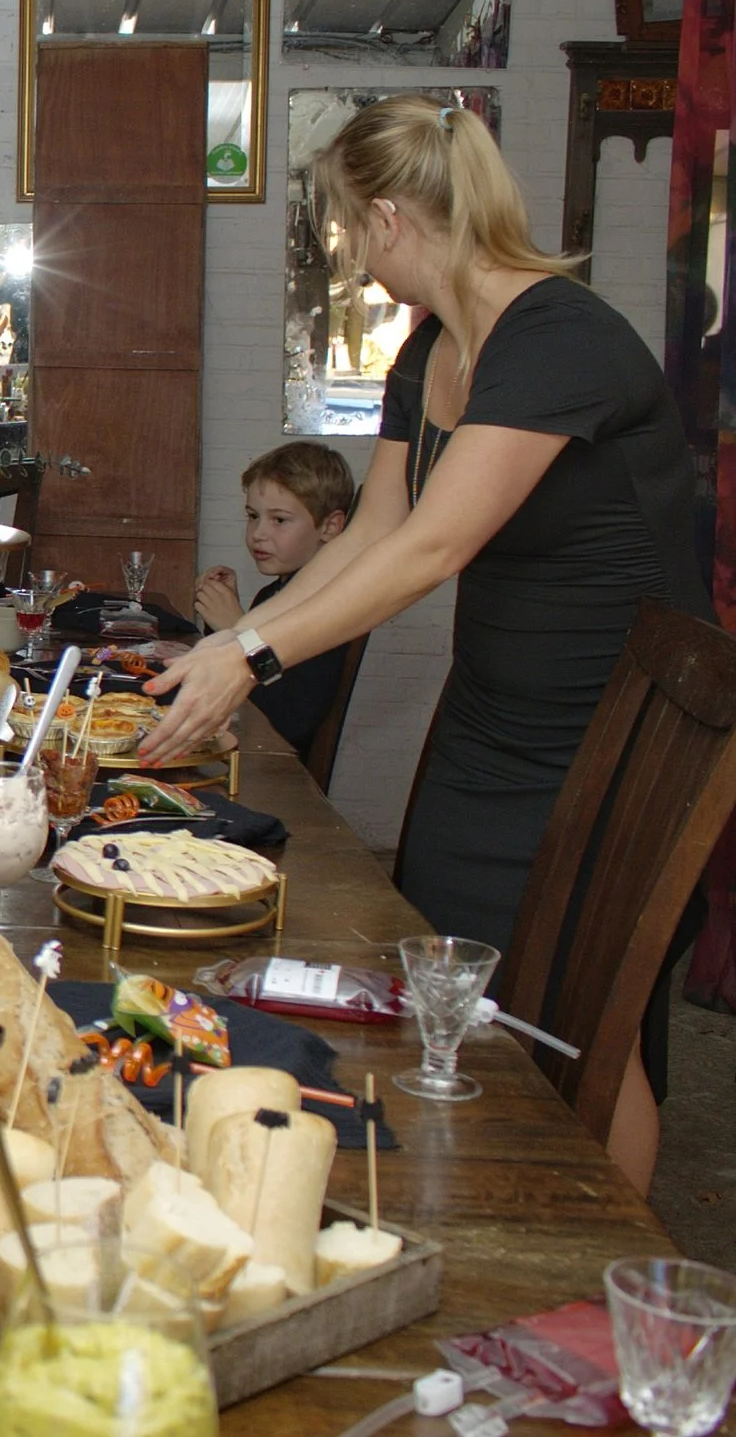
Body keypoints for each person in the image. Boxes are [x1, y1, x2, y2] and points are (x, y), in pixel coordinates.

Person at [136, 94, 707, 1188]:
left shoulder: (557, 338)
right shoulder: (431, 346)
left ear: (390, 217)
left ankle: (593, 1270)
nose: (349, 253)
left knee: (583, 1021)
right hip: (496, 721)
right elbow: (378, 528)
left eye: (346, 229)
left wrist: (248, 658)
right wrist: (239, 639)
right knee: (455, 978)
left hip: (613, 739)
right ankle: (492, 1197)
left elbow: (436, 545)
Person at [192, 443, 356, 760]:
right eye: (253, 516)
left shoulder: (331, 607)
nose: (258, 534)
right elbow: (235, 683)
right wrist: (222, 624)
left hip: (274, 769)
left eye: (279, 520)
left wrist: (239, 633)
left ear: (330, 526)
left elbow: (289, 717)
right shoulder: (273, 594)